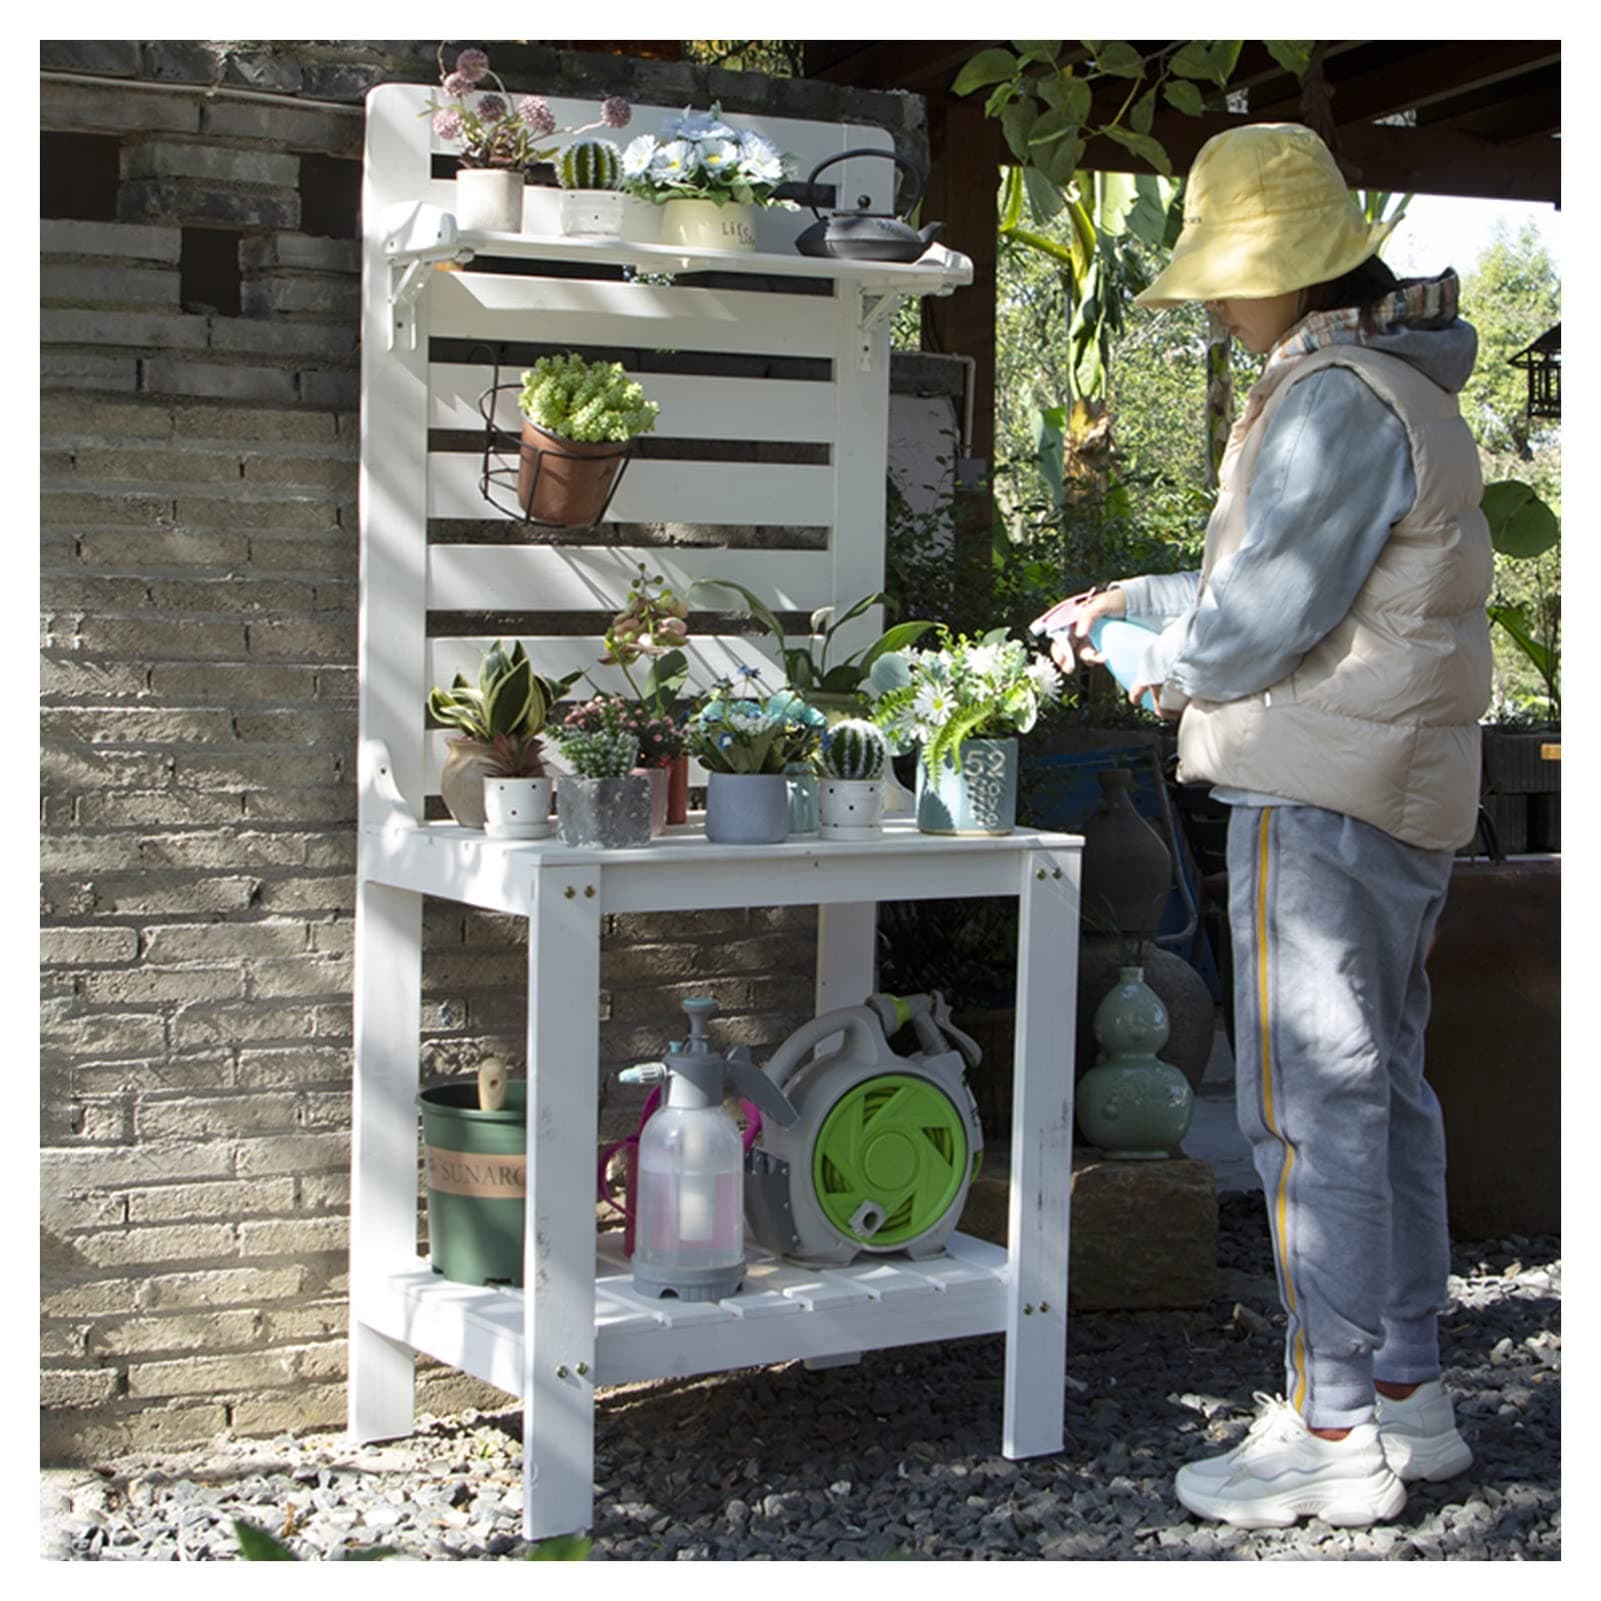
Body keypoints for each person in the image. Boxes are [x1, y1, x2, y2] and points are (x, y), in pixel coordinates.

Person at [1049, 122, 1491, 1530]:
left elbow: (1252, 632)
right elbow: (1309, 587)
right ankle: (1407, 1397)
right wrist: (1135, 597)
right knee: (1380, 1094)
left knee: (1307, 1110)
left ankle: (1328, 1427)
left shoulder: (1329, 400)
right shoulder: (1395, 383)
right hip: (1389, 789)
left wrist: (1140, 658)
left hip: (1314, 795)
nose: (1217, 309)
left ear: (1289, 269)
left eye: (1227, 278)